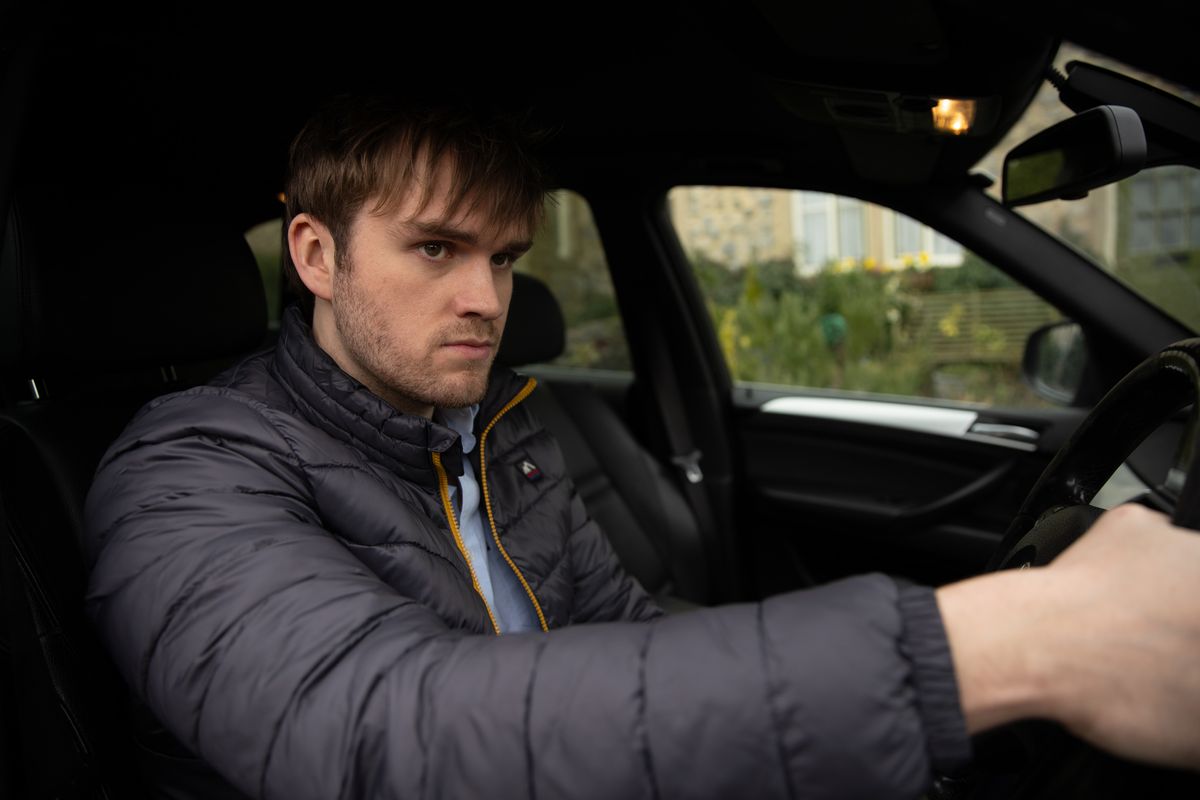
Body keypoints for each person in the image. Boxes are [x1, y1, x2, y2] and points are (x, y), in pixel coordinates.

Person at [83, 96, 1200, 800]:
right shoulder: (183, 475)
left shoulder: (498, 428)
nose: (486, 298)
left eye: (505, 257)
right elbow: (383, 736)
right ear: (316, 254)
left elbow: (622, 628)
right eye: (435, 248)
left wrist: (919, 724)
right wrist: (1007, 647)